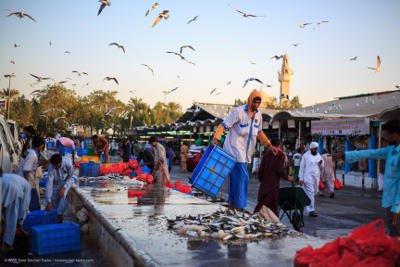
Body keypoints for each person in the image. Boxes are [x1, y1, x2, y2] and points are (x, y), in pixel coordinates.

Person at [211, 89, 276, 210]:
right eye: (254, 102)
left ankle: (232, 205)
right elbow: (223, 125)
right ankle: (239, 207)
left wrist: (269, 145)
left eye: (258, 103)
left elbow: (260, 132)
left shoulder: (258, 115)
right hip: (234, 150)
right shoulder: (238, 112)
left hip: (246, 154)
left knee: (236, 180)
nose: (256, 105)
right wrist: (216, 138)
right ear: (250, 100)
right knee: (243, 178)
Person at [337, 119, 400, 236]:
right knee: (393, 235)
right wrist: (345, 155)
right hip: (390, 201)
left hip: (396, 204)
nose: (385, 139)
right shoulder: (391, 150)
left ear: (395, 136)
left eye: (386, 136)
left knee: (396, 236)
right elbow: (371, 153)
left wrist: (396, 208)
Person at [254, 138, 294, 216]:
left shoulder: (267, 154)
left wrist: (262, 179)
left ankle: (274, 222)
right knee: (266, 205)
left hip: (265, 184)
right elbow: (279, 169)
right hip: (273, 184)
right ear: (280, 145)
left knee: (267, 204)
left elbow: (260, 170)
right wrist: (287, 177)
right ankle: (255, 219)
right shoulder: (281, 154)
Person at [1, 168, 31, 251]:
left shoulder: (19, 180)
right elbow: (25, 207)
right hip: (13, 190)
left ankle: (5, 240)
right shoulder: (27, 186)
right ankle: (6, 244)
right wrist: (21, 223)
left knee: (7, 214)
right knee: (12, 218)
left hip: (7, 186)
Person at [45, 154, 74, 223]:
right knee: (53, 198)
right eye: (53, 166)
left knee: (63, 196)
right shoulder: (51, 168)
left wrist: (64, 187)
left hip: (67, 181)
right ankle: (56, 217)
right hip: (56, 182)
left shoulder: (68, 164)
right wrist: (48, 201)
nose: (54, 167)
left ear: (60, 162)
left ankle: (60, 216)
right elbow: (49, 184)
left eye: (56, 165)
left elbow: (71, 177)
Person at [18, 135, 45, 211]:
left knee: (27, 204)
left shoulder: (29, 151)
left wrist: (45, 162)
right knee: (34, 205)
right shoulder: (32, 155)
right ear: (40, 146)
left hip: (23, 180)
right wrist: (27, 185)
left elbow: (33, 165)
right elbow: (26, 171)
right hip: (28, 182)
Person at [299, 142, 324, 217]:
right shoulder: (305, 156)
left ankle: (303, 204)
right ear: (311, 148)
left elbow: (322, 167)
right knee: (310, 193)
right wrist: (301, 178)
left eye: (316, 149)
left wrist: (321, 163)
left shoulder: (318, 155)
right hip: (308, 177)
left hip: (316, 178)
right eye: (314, 149)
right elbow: (302, 167)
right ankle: (311, 210)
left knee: (312, 193)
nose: (316, 150)